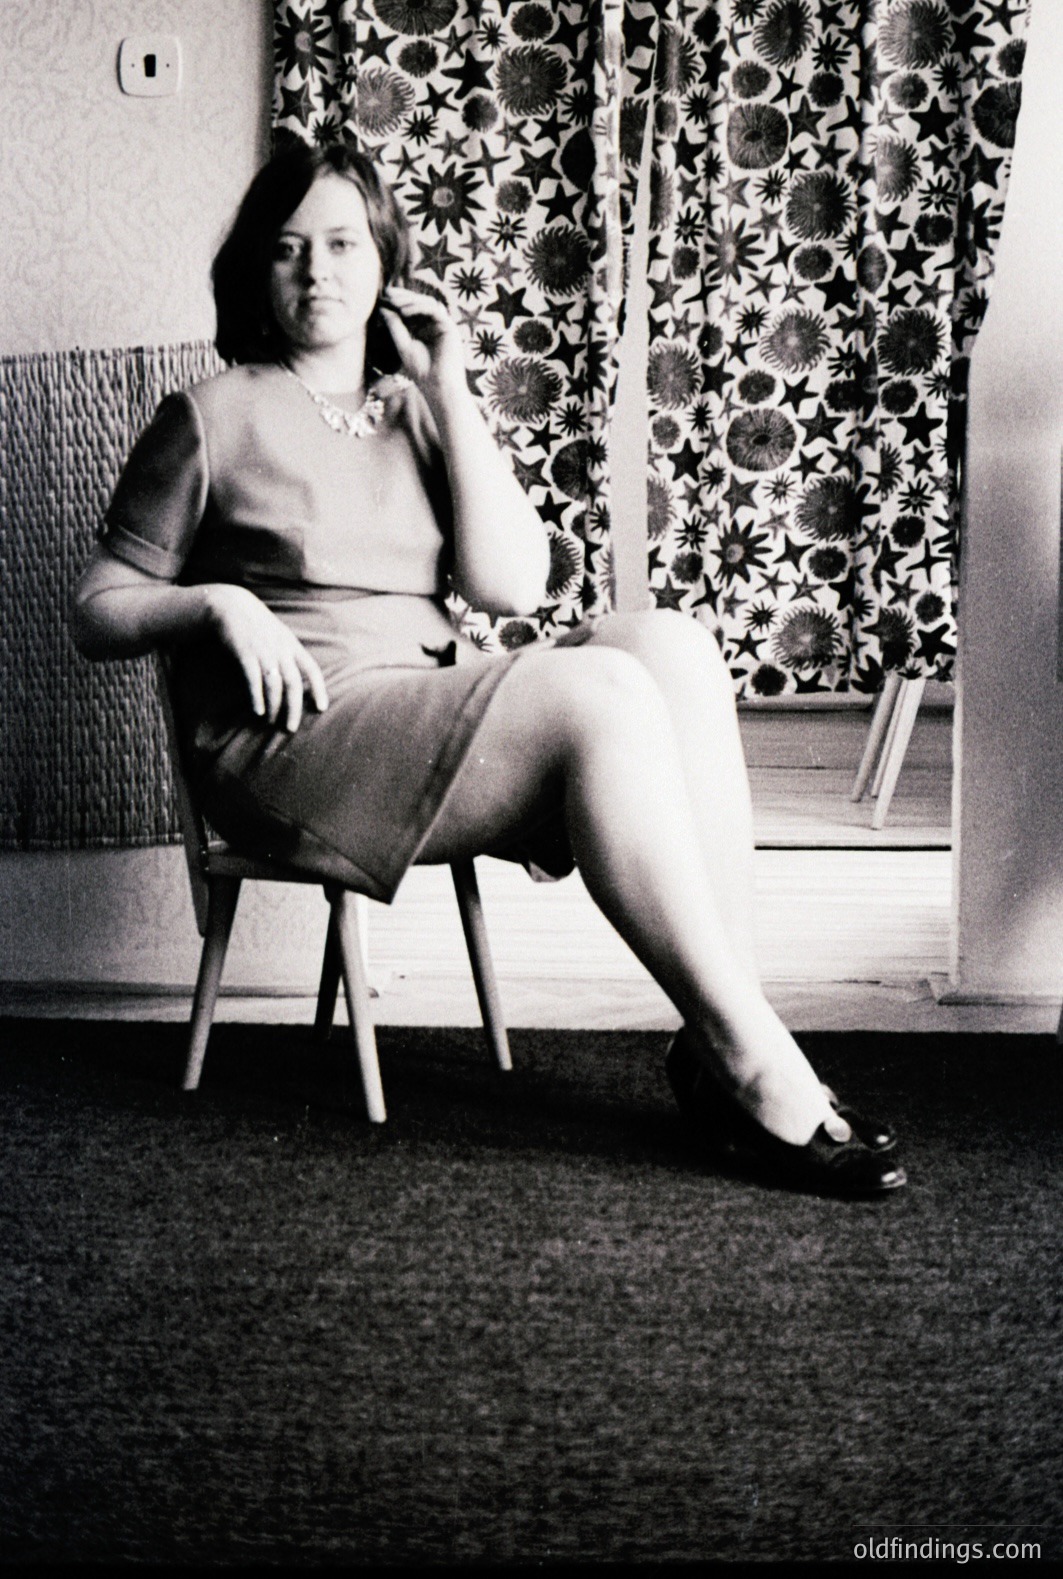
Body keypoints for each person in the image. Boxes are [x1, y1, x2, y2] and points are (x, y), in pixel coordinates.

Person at [72, 141, 904, 1196]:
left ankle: (719, 1042)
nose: (315, 273)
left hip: (422, 703)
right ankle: (753, 1061)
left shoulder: (419, 408)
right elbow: (96, 610)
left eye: (339, 245)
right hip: (297, 738)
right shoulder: (210, 415)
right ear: (255, 273)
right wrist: (218, 602)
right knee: (595, 691)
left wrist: (451, 389)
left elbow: (509, 588)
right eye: (286, 251)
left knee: (672, 648)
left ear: (384, 264)